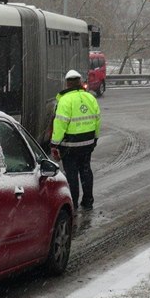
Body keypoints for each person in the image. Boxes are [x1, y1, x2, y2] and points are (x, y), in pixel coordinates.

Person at [50, 69, 101, 211]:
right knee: (86, 170)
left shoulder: (65, 100)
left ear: (67, 84)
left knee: (71, 174)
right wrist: (95, 138)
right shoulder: (90, 97)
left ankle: (73, 202)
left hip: (70, 145)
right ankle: (88, 200)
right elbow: (97, 119)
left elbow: (60, 123)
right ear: (80, 82)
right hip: (88, 142)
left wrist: (55, 143)